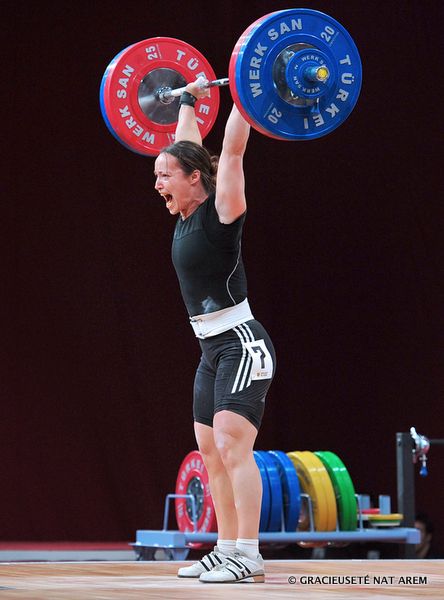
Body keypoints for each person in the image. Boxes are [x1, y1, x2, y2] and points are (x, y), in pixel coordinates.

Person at [153, 78, 276, 583]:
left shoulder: (220, 212)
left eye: (164, 176)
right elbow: (189, 142)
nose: (157, 183)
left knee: (231, 444)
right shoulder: (181, 214)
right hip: (210, 349)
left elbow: (229, 151)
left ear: (194, 180)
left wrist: (247, 95)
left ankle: (248, 552)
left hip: (242, 343)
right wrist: (188, 99)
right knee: (209, 450)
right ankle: (226, 548)